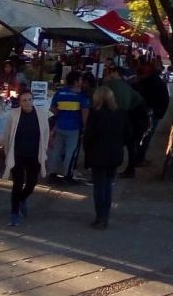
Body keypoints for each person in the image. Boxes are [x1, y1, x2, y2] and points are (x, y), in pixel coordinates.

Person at [2, 90, 50, 226]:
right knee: (17, 184)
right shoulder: (13, 115)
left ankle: (22, 198)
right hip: (18, 154)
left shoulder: (41, 114)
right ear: (20, 102)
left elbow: (45, 133)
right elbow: (7, 135)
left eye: (29, 99)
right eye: (24, 100)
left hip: (34, 154)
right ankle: (14, 213)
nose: (28, 103)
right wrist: (7, 152)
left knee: (32, 183)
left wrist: (44, 149)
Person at [84, 86, 128, 229]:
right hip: (114, 153)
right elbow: (127, 133)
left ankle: (100, 216)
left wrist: (87, 152)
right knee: (108, 185)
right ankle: (105, 215)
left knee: (99, 186)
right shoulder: (120, 113)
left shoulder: (95, 114)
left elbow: (89, 136)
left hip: (98, 154)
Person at [48, 71, 90, 185]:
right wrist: (85, 127)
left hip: (60, 126)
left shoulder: (60, 93)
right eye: (80, 80)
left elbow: (52, 108)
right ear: (76, 81)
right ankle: (67, 175)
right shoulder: (81, 96)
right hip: (74, 128)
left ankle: (52, 174)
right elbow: (85, 112)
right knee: (70, 153)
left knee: (56, 151)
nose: (82, 82)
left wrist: (61, 115)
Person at [104, 66, 146, 178]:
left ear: (115, 73)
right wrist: (129, 108)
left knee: (111, 143)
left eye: (108, 72)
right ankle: (129, 168)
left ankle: (109, 169)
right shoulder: (127, 86)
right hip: (127, 116)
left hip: (112, 117)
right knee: (129, 145)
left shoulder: (109, 85)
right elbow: (139, 99)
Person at [133, 63, 170, 166]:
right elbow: (165, 99)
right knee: (145, 137)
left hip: (148, 113)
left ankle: (138, 158)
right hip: (153, 113)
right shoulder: (156, 82)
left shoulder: (144, 83)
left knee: (142, 136)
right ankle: (139, 158)